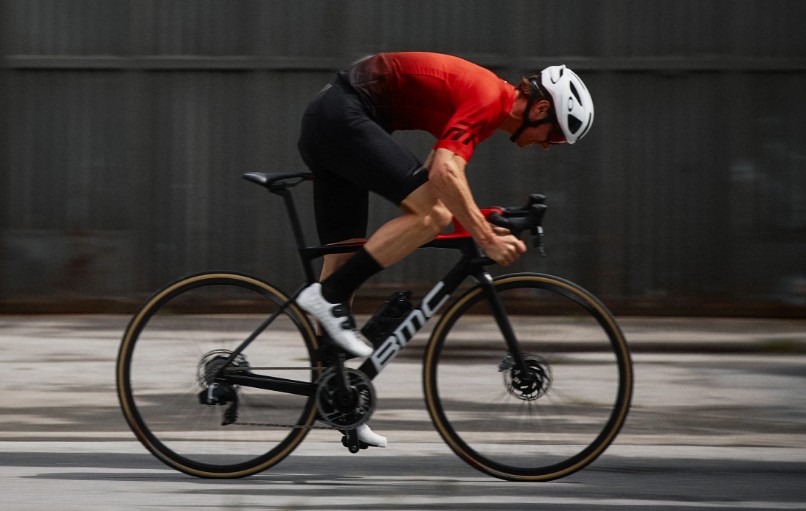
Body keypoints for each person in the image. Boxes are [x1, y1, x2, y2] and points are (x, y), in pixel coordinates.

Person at [296, 52, 594, 448]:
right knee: (429, 218)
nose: (547, 146)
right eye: (554, 135)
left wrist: (483, 220)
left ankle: (337, 401)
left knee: (345, 258)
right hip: (343, 115)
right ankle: (328, 296)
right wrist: (485, 238)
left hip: (333, 118)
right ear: (540, 109)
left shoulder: (487, 108)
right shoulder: (488, 98)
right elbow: (444, 175)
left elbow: (439, 178)